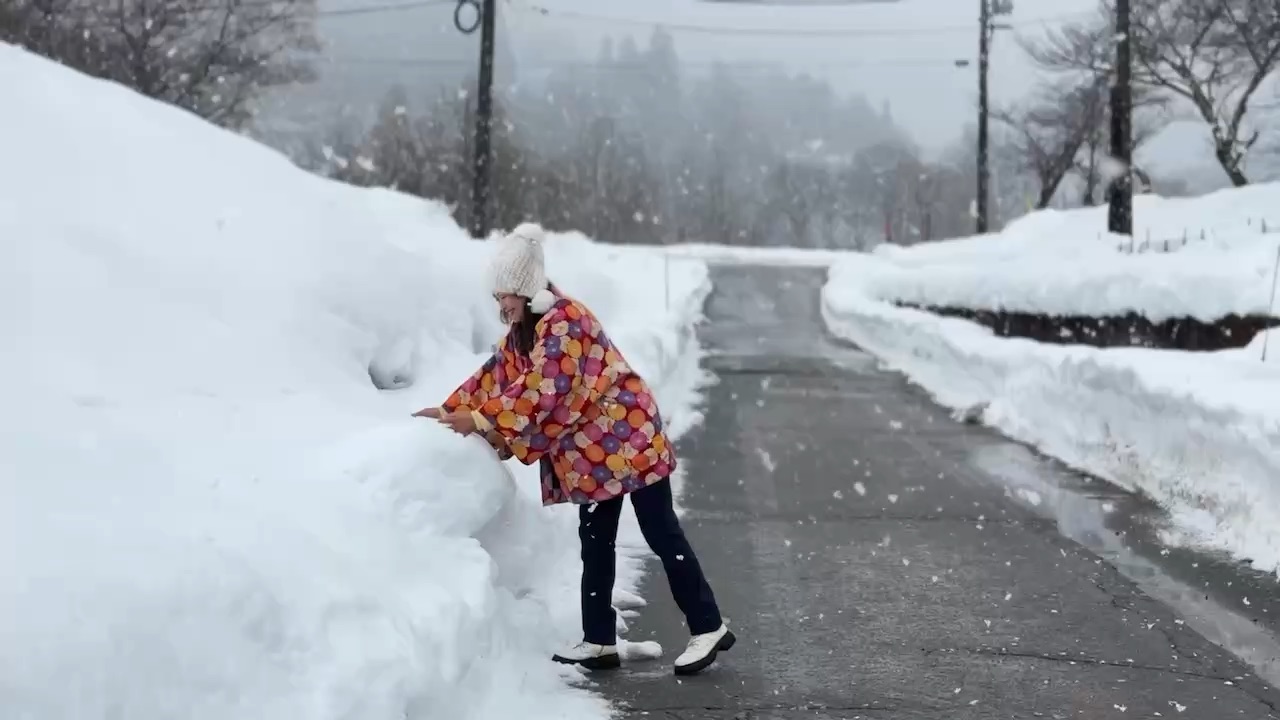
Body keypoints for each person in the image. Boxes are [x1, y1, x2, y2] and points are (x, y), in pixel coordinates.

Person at [413, 222, 735, 676]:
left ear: (524, 289)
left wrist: (483, 419)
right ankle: (600, 641)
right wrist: (449, 410)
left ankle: (709, 626)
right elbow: (496, 375)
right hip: (596, 453)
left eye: (504, 294)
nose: (499, 305)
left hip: (629, 435)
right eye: (496, 296)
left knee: (660, 531)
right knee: (596, 540)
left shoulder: (564, 321)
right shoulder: (529, 328)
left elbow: (545, 388)